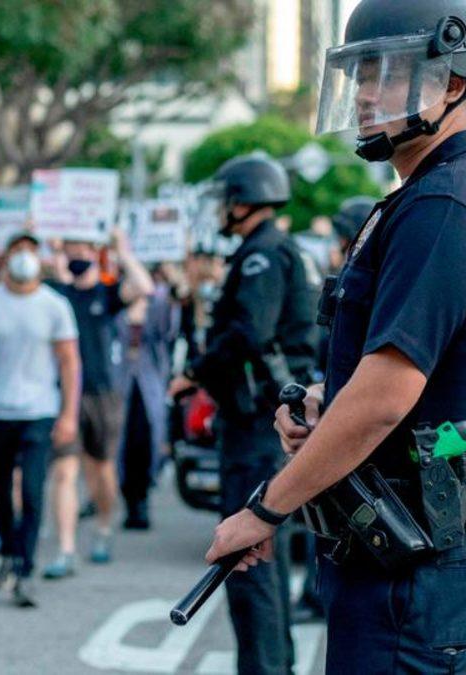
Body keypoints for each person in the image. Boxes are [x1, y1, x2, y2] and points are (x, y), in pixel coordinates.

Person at [205, 2, 466, 673]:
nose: (363, 93)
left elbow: (387, 394)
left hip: (416, 562)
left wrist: (266, 509)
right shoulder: (425, 198)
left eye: (384, 72)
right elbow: (419, 394)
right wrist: (329, 406)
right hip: (400, 549)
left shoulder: (446, 205)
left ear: (452, 81)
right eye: (358, 74)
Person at [166, 151, 316, 675]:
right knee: (263, 564)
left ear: (244, 200)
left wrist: (195, 373)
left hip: (256, 426)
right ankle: (275, 666)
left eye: (227, 199)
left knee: (248, 561)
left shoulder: (263, 255)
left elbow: (248, 332)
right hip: (256, 423)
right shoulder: (266, 250)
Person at [0, 232, 80, 608]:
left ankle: (25, 570)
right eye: (18, 251)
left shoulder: (54, 305)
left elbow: (69, 362)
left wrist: (68, 414)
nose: (24, 258)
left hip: (37, 413)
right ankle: (9, 554)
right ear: (6, 257)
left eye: (31, 251)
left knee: (31, 491)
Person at [44, 231, 152, 576]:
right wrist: (50, 249)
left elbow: (144, 287)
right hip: (64, 395)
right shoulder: (59, 295)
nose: (75, 252)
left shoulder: (105, 293)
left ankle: (104, 524)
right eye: (70, 246)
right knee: (64, 470)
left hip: (102, 394)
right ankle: (65, 548)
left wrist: (123, 251)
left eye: (81, 247)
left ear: (94, 252)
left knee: (100, 471)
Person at [118, 274, 180, 530]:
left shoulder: (157, 309)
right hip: (120, 387)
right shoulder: (116, 311)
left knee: (144, 444)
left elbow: (169, 328)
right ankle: (127, 501)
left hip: (148, 387)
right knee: (121, 447)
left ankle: (142, 500)